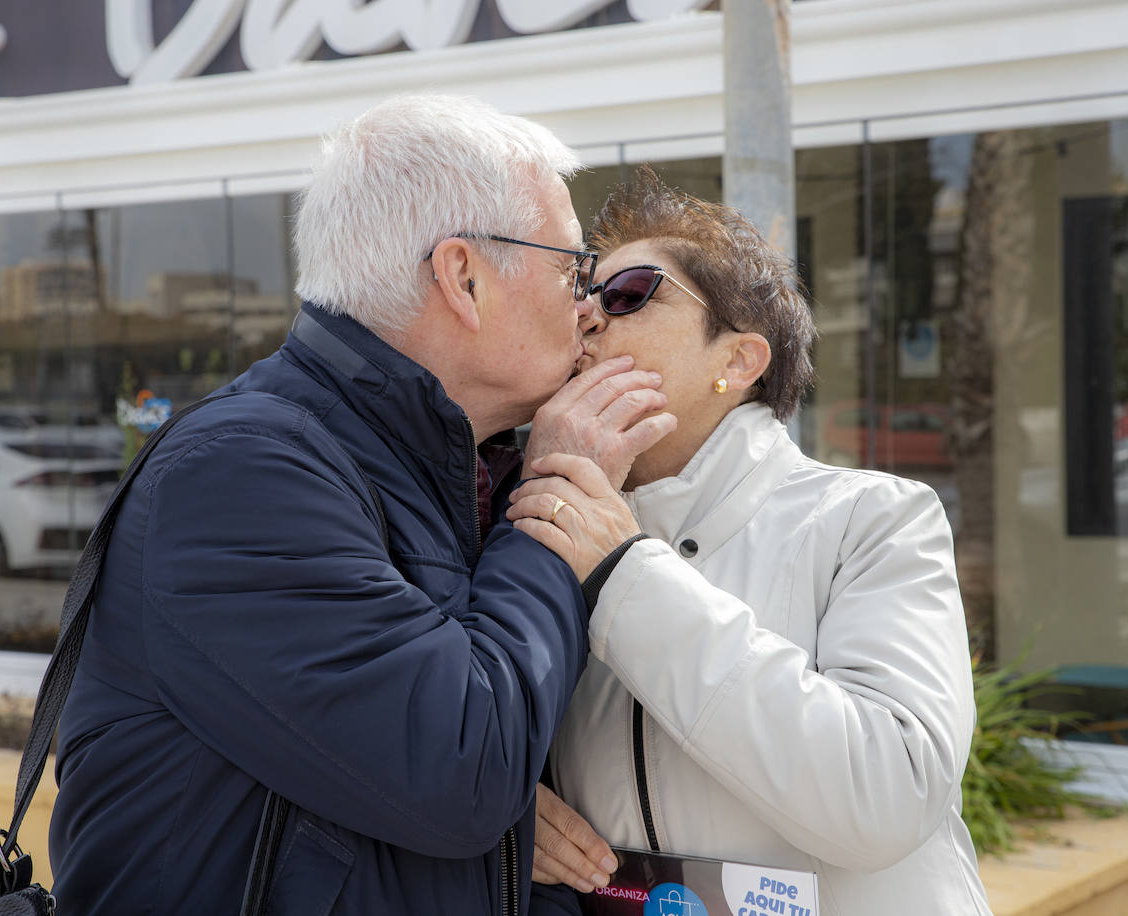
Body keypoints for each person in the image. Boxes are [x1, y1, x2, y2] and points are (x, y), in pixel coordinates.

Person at [47, 95, 674, 915]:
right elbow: (460, 773)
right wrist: (553, 497)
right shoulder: (240, 475)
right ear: (463, 278)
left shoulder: (446, 465)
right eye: (571, 267)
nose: (587, 303)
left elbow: (408, 779)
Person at [509, 171, 992, 916]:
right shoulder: (540, 529)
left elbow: (890, 794)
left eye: (631, 292)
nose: (590, 318)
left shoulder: (874, 519)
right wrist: (510, 816)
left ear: (737, 363)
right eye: (584, 295)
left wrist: (623, 573)